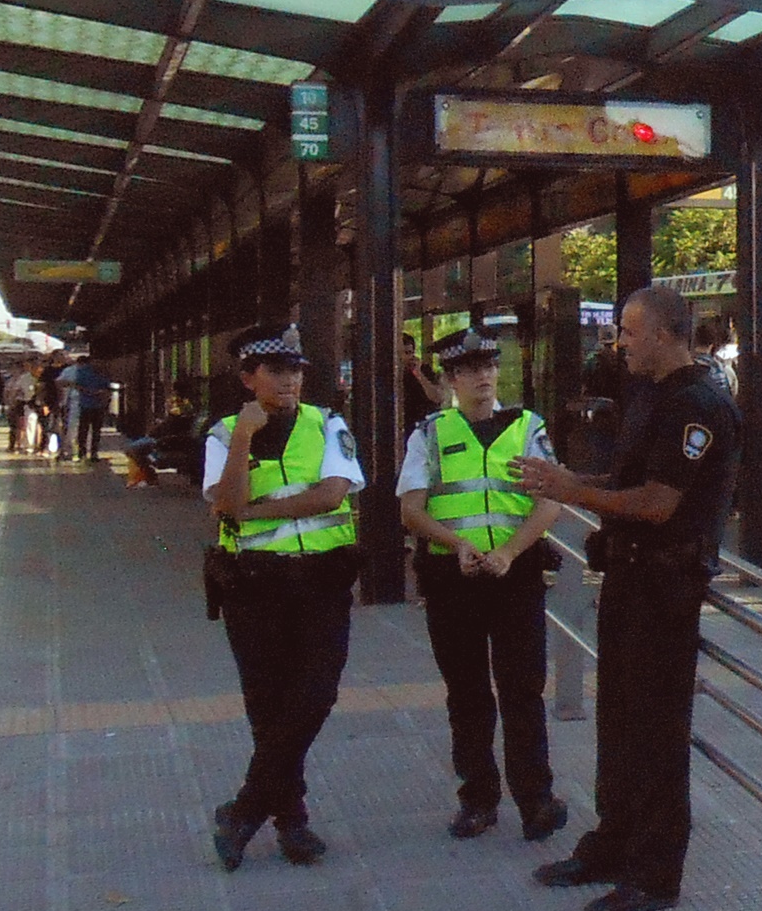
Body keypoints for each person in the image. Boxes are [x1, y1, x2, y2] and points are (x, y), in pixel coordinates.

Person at [515, 284, 738, 911]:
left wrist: (571, 493)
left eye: (630, 332)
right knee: (617, 721)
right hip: (628, 581)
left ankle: (655, 871)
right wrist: (568, 482)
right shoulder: (651, 394)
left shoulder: (698, 404)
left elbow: (657, 502)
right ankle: (612, 844)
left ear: (666, 335)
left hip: (666, 589)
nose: (621, 343)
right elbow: (624, 482)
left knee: (655, 733)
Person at [396, 327, 570, 844]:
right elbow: (410, 510)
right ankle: (477, 799)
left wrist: (509, 552)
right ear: (450, 379)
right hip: (454, 578)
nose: (484, 378)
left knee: (523, 689)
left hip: (515, 576)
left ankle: (536, 800)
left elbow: (550, 501)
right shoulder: (429, 433)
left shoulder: (527, 428)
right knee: (467, 692)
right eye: (471, 370)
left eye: (490, 367)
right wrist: (459, 547)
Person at [202, 323, 364, 871]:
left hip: (321, 580)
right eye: (276, 370)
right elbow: (225, 502)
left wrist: (255, 509)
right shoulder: (223, 434)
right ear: (249, 378)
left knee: (316, 695)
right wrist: (245, 440)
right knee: (268, 707)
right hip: (253, 586)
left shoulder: (328, 423)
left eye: (296, 370)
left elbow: (332, 494)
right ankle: (292, 822)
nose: (290, 380)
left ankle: (245, 808)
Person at [120, 394, 205, 487]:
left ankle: (149, 477)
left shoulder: (181, 415)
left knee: (133, 449)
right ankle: (146, 476)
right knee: (132, 449)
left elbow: (174, 430)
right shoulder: (178, 415)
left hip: (163, 442)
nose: (170, 405)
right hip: (160, 439)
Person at [60, 352, 111, 461]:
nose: (98, 364)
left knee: (96, 430)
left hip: (98, 404)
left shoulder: (103, 372)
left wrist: (103, 395)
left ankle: (94, 452)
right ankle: (82, 451)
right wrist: (88, 391)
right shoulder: (83, 371)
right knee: (83, 429)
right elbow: (77, 385)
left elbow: (107, 387)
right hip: (85, 403)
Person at [4, 363, 41, 454]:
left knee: (39, 426)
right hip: (27, 403)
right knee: (27, 424)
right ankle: (28, 446)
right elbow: (14, 391)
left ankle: (38, 445)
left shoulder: (43, 377)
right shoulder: (24, 378)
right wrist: (11, 403)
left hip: (41, 404)